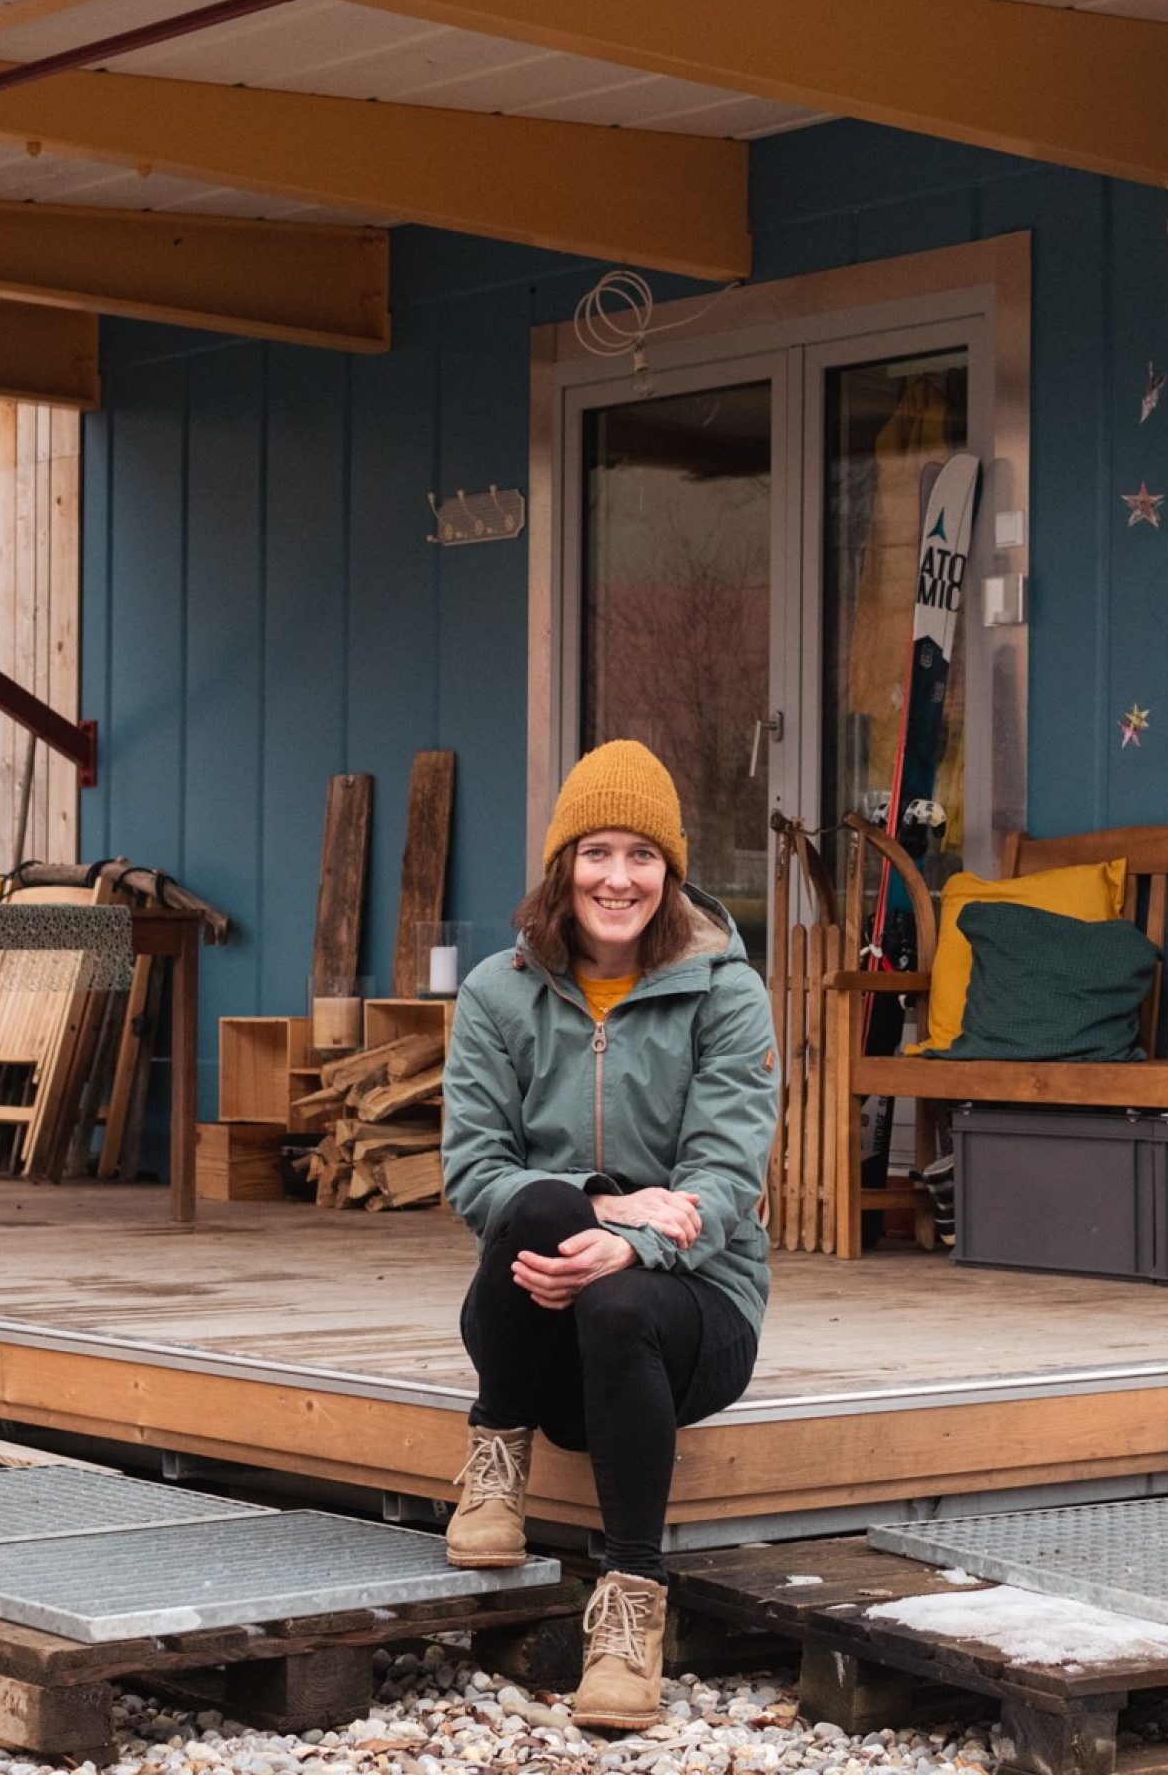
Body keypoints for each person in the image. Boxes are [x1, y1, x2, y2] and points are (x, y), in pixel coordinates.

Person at [438, 739, 773, 1731]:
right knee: (535, 1207)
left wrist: (639, 1245)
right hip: (537, 1331)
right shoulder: (498, 992)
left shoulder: (726, 993)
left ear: (670, 873)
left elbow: (724, 1178)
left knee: (621, 1297)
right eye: (595, 853)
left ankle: (631, 1605)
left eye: (641, 855)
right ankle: (496, 1451)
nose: (617, 878)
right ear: (562, 867)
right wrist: (603, 1207)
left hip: (691, 1321)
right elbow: (472, 1173)